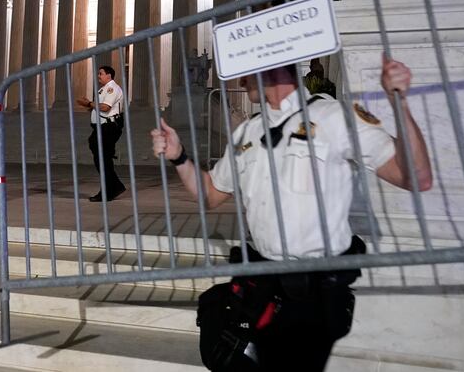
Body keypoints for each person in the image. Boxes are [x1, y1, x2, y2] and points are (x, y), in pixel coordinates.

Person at [151, 55, 432, 371]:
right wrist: (179, 156)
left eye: (245, 71)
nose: (240, 81)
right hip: (262, 281)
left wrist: (400, 103)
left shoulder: (335, 117)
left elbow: (416, 177)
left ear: (270, 67)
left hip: (313, 291)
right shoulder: (247, 133)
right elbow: (211, 196)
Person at [76, 65, 126, 202]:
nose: (98, 76)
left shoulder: (112, 88)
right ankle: (114, 186)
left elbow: (105, 107)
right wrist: (88, 105)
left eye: (101, 73)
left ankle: (110, 189)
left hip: (108, 128)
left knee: (103, 160)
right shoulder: (103, 89)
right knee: (101, 158)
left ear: (109, 75)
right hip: (101, 128)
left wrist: (89, 103)